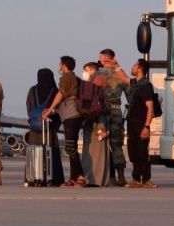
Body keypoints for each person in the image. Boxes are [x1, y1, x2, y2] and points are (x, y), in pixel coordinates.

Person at [42, 56, 84, 187]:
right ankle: (73, 178)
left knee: (71, 148)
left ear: (64, 65)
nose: (59, 65)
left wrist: (49, 111)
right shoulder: (74, 77)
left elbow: (60, 94)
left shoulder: (66, 77)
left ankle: (80, 176)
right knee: (71, 148)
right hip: (72, 114)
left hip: (71, 115)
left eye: (60, 63)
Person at [25, 68, 64, 186]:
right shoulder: (55, 91)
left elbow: (29, 108)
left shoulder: (32, 90)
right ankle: (53, 178)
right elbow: (60, 110)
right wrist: (55, 125)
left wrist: (34, 121)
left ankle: (32, 178)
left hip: (35, 128)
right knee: (51, 152)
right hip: (49, 128)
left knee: (34, 152)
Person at [98, 48, 130, 186]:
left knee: (102, 145)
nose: (99, 60)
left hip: (101, 112)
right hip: (116, 112)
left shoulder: (97, 75)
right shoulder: (120, 76)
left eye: (100, 58)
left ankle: (109, 176)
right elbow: (130, 95)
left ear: (105, 59)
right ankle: (121, 176)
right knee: (116, 144)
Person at [125, 58, 156, 188]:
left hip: (141, 123)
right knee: (133, 152)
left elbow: (150, 108)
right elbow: (123, 78)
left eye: (134, 65)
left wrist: (147, 127)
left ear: (140, 69)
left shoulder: (146, 86)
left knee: (142, 152)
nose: (132, 67)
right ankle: (136, 179)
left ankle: (147, 179)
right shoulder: (134, 83)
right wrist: (115, 65)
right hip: (131, 123)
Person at [80, 62, 110, 187]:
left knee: (96, 151)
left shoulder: (98, 79)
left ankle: (95, 179)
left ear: (92, 70)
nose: (84, 73)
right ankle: (92, 178)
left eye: (86, 70)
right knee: (92, 150)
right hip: (94, 119)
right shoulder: (94, 80)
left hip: (98, 120)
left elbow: (94, 101)